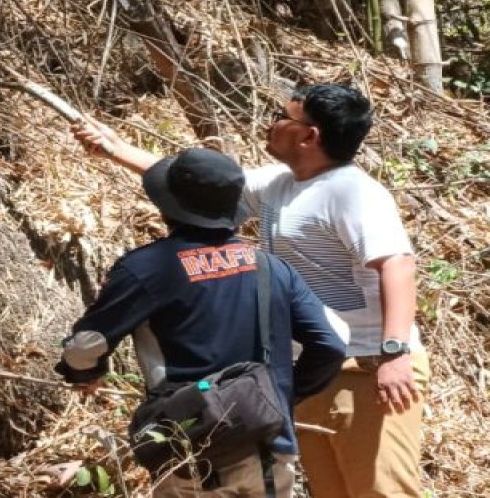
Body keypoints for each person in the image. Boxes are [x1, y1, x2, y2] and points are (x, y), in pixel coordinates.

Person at [71, 84, 427, 497]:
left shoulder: (354, 193)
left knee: (381, 490)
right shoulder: (281, 182)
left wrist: (395, 352)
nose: (271, 121)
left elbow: (398, 263)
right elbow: (200, 191)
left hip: (368, 369)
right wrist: (115, 149)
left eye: (283, 115)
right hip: (316, 365)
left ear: (309, 136)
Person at [56, 147, 345, 496]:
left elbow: (88, 344)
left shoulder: (145, 269)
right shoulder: (271, 267)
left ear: (167, 207)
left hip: (189, 448)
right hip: (268, 447)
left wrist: (84, 373)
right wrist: (279, 394)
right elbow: (332, 342)